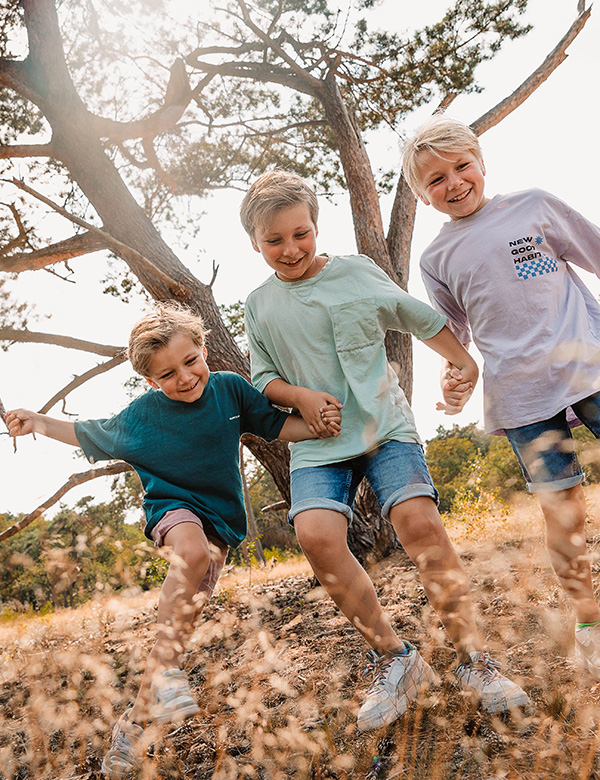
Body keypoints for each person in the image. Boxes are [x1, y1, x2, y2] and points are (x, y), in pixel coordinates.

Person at [239, 169, 530, 732]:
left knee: (418, 521)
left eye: (300, 233)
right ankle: (396, 661)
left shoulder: (354, 273)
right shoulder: (259, 304)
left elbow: (415, 315)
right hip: (318, 442)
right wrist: (299, 396)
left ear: (315, 228)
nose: (290, 248)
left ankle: (476, 660)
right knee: (316, 536)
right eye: (274, 240)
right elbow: (263, 377)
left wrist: (462, 360)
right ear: (255, 243)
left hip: (383, 426)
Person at [5, 303, 341, 779]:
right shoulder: (141, 417)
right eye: (168, 373)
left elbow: (274, 426)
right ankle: (163, 678)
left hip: (220, 523)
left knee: (178, 634)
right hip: (173, 511)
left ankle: (132, 728)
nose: (185, 377)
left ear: (204, 350)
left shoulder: (228, 389)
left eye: (191, 361)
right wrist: (37, 420)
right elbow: (86, 433)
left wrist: (320, 425)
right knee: (191, 551)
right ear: (150, 381)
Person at [402, 113, 600, 683]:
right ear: (422, 195)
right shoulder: (436, 260)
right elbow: (456, 332)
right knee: (563, 513)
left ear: (481, 164)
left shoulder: (534, 206)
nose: (454, 183)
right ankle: (588, 624)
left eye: (462, 167)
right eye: (435, 180)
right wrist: (455, 377)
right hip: (520, 393)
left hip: (587, 363)